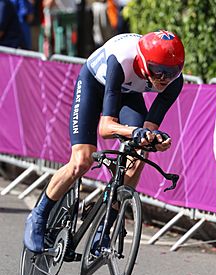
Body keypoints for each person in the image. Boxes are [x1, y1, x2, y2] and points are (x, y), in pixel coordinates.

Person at [24, 30, 185, 254]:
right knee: (82, 160)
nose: (165, 79)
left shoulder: (174, 82)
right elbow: (106, 127)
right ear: (144, 62)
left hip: (128, 94)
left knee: (139, 154)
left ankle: (104, 228)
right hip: (95, 84)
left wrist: (153, 140)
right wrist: (134, 132)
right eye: (160, 72)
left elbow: (148, 130)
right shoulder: (122, 59)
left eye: (173, 72)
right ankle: (38, 216)